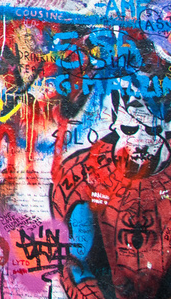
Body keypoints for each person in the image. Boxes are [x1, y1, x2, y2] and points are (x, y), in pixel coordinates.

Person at [51, 84, 171, 299]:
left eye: (152, 131)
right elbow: (73, 264)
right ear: (115, 118)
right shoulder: (80, 172)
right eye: (130, 129)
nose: (140, 143)